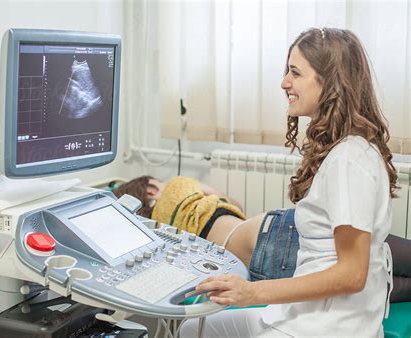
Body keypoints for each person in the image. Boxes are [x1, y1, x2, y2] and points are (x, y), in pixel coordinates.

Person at [118, 28, 405, 336]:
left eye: (295, 73)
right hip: (306, 315)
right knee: (191, 330)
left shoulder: (351, 158)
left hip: (326, 327)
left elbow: (352, 275)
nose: (284, 82)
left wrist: (253, 292)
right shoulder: (344, 150)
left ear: (330, 81)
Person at [113, 175, 411, 304]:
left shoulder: (158, 235)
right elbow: (234, 202)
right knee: (385, 255)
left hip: (258, 267)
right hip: (274, 230)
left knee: (377, 285)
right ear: (151, 189)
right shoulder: (178, 186)